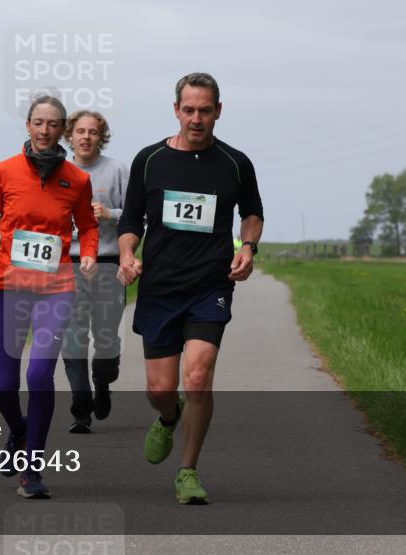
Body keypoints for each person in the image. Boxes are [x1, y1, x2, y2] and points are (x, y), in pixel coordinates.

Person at [116, 72, 263, 504]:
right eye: (189, 110)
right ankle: (169, 417)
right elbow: (131, 220)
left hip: (209, 286)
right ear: (176, 110)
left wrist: (248, 247)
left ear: (218, 111)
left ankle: (188, 471)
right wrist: (127, 254)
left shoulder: (235, 163)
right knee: (160, 391)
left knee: (197, 376)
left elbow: (252, 213)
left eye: (205, 110)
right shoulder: (149, 160)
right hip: (160, 288)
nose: (196, 118)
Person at [0, 96, 99, 499]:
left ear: (63, 130)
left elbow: (88, 226)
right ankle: (20, 431)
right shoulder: (4, 171)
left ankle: (32, 469)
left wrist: (89, 253)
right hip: (7, 287)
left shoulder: (77, 179)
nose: (45, 131)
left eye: (53, 124)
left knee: (39, 375)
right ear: (28, 125)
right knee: (3, 385)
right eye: (38, 122)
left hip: (55, 289)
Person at [62, 110, 129, 434]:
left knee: (105, 339)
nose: (86, 137)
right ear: (69, 136)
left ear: (102, 137)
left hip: (107, 263)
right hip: (69, 263)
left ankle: (103, 382)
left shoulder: (117, 170)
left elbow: (139, 216)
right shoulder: (59, 171)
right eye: (80, 131)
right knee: (73, 336)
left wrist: (109, 214)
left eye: (93, 132)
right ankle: (81, 407)